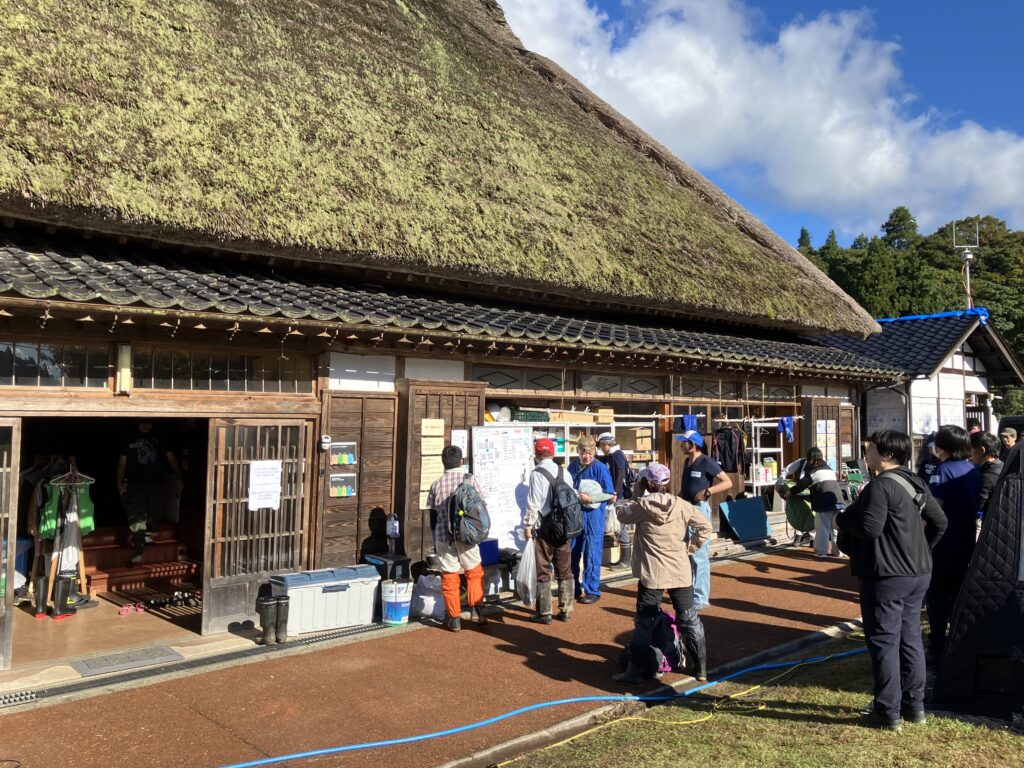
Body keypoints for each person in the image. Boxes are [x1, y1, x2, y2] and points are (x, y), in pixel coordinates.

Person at [836, 430, 947, 730]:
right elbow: (940, 522)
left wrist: (842, 519)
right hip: (918, 573)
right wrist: (921, 549)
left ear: (886, 455)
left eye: (870, 448)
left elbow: (870, 528)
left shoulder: (880, 486)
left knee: (884, 640)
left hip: (886, 575)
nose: (866, 453)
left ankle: (887, 711)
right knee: (910, 637)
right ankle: (915, 706)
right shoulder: (915, 481)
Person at [613, 462, 714, 684]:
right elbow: (706, 527)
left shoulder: (641, 505)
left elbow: (621, 514)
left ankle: (633, 672)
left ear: (648, 482)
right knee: (688, 617)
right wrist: (691, 547)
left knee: (645, 620)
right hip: (679, 569)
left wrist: (637, 492)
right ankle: (701, 668)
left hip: (653, 572)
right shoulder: (682, 505)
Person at [925, 425, 981, 663]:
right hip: (966, 537)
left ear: (942, 445)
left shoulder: (942, 471)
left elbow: (934, 508)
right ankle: (960, 639)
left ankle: (937, 644)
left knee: (937, 595)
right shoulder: (972, 469)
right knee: (959, 591)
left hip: (942, 541)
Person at [426, 445, 487, 632]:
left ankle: (454, 619)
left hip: (445, 536)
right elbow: (482, 506)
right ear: (461, 461)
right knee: (474, 571)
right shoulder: (470, 480)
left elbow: (433, 515)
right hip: (468, 535)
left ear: (443, 462)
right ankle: (477, 611)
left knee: (449, 575)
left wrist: (436, 536)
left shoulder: (436, 484)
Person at [523, 438, 576, 624]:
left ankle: (544, 612)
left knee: (543, 569)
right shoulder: (565, 472)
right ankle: (566, 609)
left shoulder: (537, 474)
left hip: (544, 528)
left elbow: (533, 503)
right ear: (553, 453)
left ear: (537, 455)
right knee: (565, 568)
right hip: (564, 528)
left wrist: (528, 526)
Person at [675, 430, 730, 610]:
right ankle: (691, 594)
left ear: (694, 444)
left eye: (684, 442)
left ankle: (701, 597)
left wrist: (707, 492)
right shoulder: (687, 462)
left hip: (700, 510)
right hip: (686, 508)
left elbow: (727, 482)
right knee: (687, 552)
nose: (681, 445)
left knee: (699, 554)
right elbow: (686, 487)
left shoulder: (706, 461)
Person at [117, 419, 182, 565]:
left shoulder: (159, 438)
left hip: (155, 483)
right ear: (137, 423)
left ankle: (146, 533)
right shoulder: (129, 439)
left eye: (148, 423)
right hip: (134, 483)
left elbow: (171, 457)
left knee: (157, 509)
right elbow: (122, 463)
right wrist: (119, 482)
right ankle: (139, 546)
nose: (145, 426)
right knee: (136, 515)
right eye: (142, 423)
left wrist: (179, 475)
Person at [567, 436, 615, 604]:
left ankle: (592, 589)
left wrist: (592, 498)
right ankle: (573, 587)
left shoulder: (600, 468)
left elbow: (611, 494)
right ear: (577, 451)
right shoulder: (572, 467)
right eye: (583, 452)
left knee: (592, 551)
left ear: (594, 452)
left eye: (590, 452)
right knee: (573, 551)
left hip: (594, 516)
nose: (586, 456)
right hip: (575, 514)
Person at [781, 448, 843, 558]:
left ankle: (821, 552)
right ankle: (838, 551)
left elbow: (802, 485)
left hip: (823, 503)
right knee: (835, 528)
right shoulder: (829, 469)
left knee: (822, 528)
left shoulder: (813, 471)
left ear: (811, 459)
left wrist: (789, 492)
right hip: (838, 501)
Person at [598, 432, 632, 570]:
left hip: (620, 496)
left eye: (601, 445)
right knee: (618, 526)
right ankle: (623, 559)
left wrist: (615, 492)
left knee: (619, 526)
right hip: (616, 495)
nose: (601, 448)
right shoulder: (611, 455)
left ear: (605, 444)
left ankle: (626, 560)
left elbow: (620, 474)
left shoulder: (617, 454)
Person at [969, 431, 1002, 519]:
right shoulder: (1002, 466)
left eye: (971, 449)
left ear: (981, 450)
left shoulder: (988, 476)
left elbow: (976, 506)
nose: (969, 454)